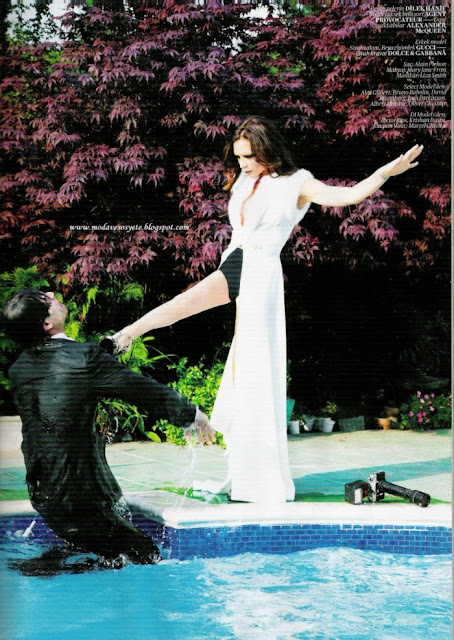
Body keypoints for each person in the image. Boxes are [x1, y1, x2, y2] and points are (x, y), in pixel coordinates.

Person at [101, 116, 423, 504]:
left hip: (259, 271)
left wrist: (385, 172)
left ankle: (256, 479)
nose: (243, 164)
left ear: (268, 150)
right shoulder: (243, 181)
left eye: (250, 156)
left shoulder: (297, 182)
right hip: (236, 261)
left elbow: (348, 195)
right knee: (205, 327)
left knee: (249, 369)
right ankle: (125, 336)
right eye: (239, 157)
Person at [3, 288, 215, 566]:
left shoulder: (19, 369)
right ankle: (41, 568)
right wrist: (190, 414)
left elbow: (61, 379)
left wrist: (103, 352)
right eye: (46, 300)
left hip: (44, 493)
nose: (52, 294)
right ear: (46, 323)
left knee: (96, 547)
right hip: (82, 498)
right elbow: (141, 389)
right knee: (146, 557)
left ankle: (55, 565)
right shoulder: (85, 359)